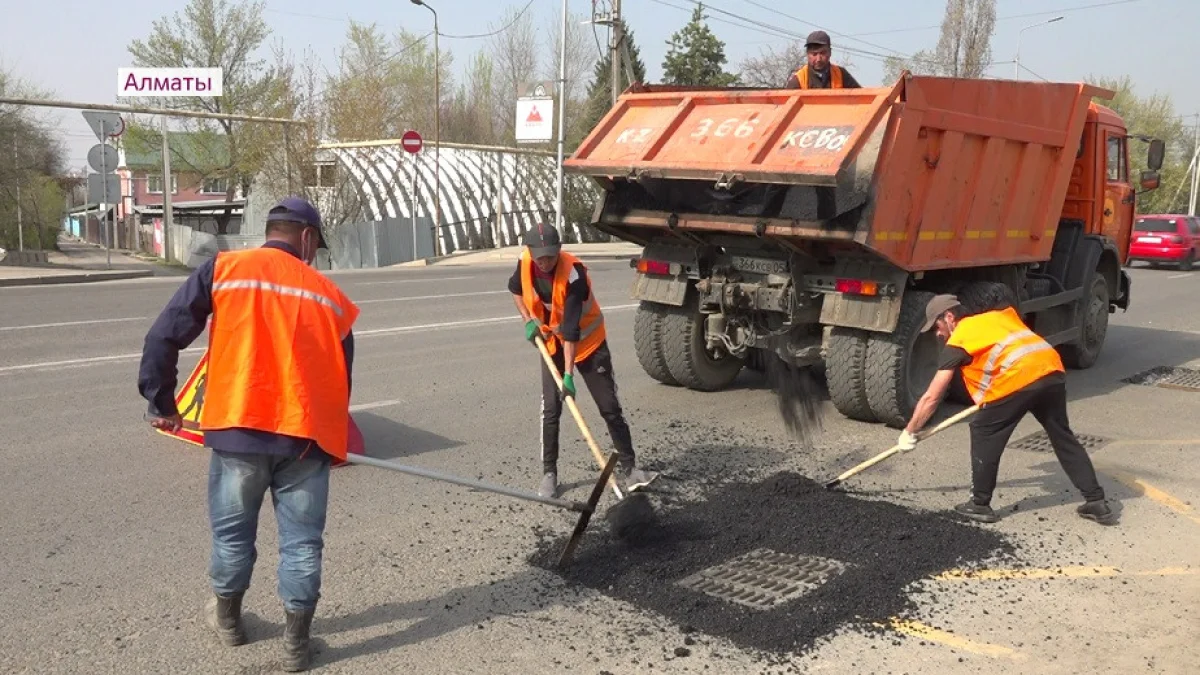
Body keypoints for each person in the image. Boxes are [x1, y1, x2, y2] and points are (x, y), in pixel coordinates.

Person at [138, 197, 359, 672]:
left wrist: (161, 401)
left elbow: (163, 336)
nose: (316, 254)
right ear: (305, 237)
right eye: (317, 244)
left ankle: (230, 623)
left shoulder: (224, 269)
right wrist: (334, 445)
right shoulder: (328, 295)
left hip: (237, 431)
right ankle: (297, 646)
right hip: (304, 441)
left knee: (233, 537)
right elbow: (342, 382)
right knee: (301, 544)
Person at [899, 294, 1116, 526]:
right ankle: (1096, 501)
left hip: (1019, 378)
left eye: (937, 326)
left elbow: (932, 397)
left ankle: (979, 504)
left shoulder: (961, 338)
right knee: (1062, 436)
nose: (938, 333)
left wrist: (910, 431)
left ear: (950, 317)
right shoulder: (997, 318)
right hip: (1051, 371)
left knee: (984, 430)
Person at [508, 223, 658, 499]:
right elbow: (515, 289)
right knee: (551, 409)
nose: (545, 261)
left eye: (550, 256)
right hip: (551, 342)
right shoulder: (525, 263)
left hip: (588, 344)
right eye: (540, 256)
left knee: (609, 406)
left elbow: (571, 330)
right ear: (530, 251)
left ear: (559, 251)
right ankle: (549, 474)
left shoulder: (573, 275)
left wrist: (568, 376)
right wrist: (528, 320)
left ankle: (631, 470)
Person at [785, 30, 862, 90]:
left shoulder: (841, 74)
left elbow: (861, 99)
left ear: (830, 52)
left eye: (822, 53)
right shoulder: (799, 80)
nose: (818, 59)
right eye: (814, 54)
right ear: (807, 54)